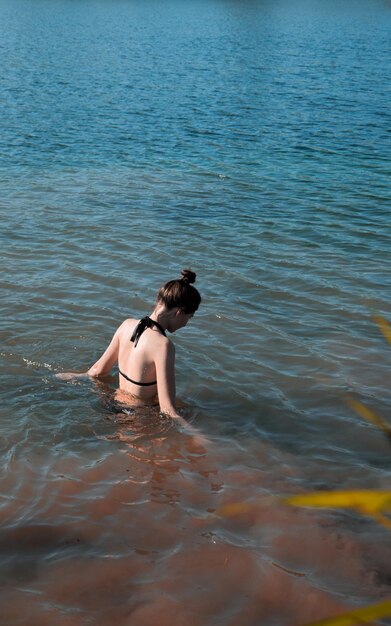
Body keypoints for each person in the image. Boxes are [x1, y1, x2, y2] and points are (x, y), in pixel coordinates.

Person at [58, 269, 204, 439]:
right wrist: (198, 436)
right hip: (136, 420)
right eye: (189, 317)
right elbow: (167, 409)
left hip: (109, 405)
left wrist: (70, 376)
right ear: (179, 312)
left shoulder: (127, 325)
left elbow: (97, 371)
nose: (186, 324)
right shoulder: (163, 345)